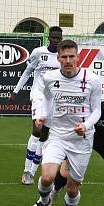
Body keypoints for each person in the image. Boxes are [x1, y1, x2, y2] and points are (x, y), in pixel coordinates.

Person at [24, 40, 102, 206]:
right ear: (58, 58)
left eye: (71, 56)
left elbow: (97, 111)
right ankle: (43, 201)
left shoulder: (91, 79)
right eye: (64, 57)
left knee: (72, 188)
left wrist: (85, 125)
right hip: (57, 135)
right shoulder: (50, 78)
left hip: (82, 139)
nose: (68, 60)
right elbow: (43, 97)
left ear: (78, 57)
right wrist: (41, 114)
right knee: (47, 177)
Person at [9, 27, 63, 184]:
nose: (55, 40)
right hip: (39, 96)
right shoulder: (38, 52)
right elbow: (27, 72)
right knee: (37, 130)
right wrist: (15, 91)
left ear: (61, 38)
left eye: (58, 38)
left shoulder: (62, 57)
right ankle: (26, 171)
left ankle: (32, 172)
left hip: (54, 99)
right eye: (53, 37)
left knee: (45, 136)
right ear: (49, 37)